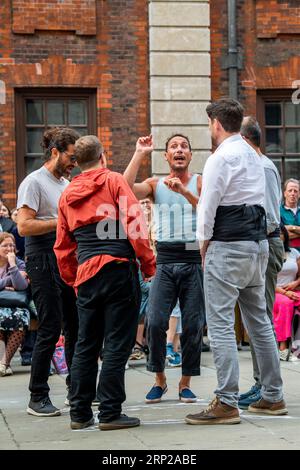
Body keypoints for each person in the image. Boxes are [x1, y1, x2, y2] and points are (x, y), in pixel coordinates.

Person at [185, 98, 287, 426]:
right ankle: (272, 395)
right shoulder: (253, 156)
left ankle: (227, 401)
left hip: (227, 246)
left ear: (216, 123)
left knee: (220, 324)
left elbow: (208, 208)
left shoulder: (220, 157)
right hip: (257, 245)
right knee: (259, 321)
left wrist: (204, 247)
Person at [54, 135, 156, 430]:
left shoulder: (67, 194)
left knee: (86, 343)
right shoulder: (113, 181)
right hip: (117, 268)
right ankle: (110, 412)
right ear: (103, 156)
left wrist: (75, 279)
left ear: (77, 162)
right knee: (116, 343)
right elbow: (135, 223)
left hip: (86, 272)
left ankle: (80, 413)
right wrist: (148, 263)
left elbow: (62, 246)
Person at [124, 134, 205, 404]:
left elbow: (208, 211)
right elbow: (124, 188)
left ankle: (185, 383)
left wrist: (183, 192)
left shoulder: (199, 182)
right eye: (174, 147)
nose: (179, 150)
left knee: (193, 324)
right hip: (165, 260)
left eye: (184, 146)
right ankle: (160, 380)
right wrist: (139, 153)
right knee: (156, 321)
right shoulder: (155, 183)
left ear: (190, 155)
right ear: (166, 156)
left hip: (193, 258)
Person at [17, 127, 80, 417]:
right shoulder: (33, 182)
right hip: (41, 257)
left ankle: (75, 390)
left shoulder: (65, 184)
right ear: (54, 151)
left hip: (64, 257)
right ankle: (37, 396)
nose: (74, 162)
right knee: (51, 326)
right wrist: (61, 222)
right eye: (70, 156)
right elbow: (24, 226)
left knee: (74, 325)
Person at [238, 116, 284, 409]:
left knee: (260, 319)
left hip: (266, 242)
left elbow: (267, 217)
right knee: (256, 318)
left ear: (244, 141)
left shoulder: (263, 167)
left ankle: (266, 387)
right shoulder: (256, 165)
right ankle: (262, 383)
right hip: (261, 242)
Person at [0, 232, 30, 376]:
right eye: (5, 245)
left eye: (12, 245)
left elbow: (21, 286)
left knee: (21, 318)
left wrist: (12, 265)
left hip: (15, 304)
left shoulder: (19, 263)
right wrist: (7, 282)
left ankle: (4, 363)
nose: (9, 248)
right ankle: (4, 362)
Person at [273, 225, 300, 361]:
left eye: (281, 234)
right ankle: (282, 347)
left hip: (294, 289)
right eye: (276, 234)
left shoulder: (294, 253)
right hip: (275, 291)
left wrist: (295, 283)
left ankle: (297, 347)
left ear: (285, 236)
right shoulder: (268, 254)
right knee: (286, 304)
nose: (279, 237)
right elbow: (267, 280)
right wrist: (285, 292)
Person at [280, 179, 300, 252]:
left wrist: (290, 228)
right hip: (286, 254)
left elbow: (283, 233)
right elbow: (279, 236)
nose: (292, 193)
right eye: (290, 190)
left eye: (295, 191)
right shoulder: (278, 212)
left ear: (299, 194)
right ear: (285, 193)